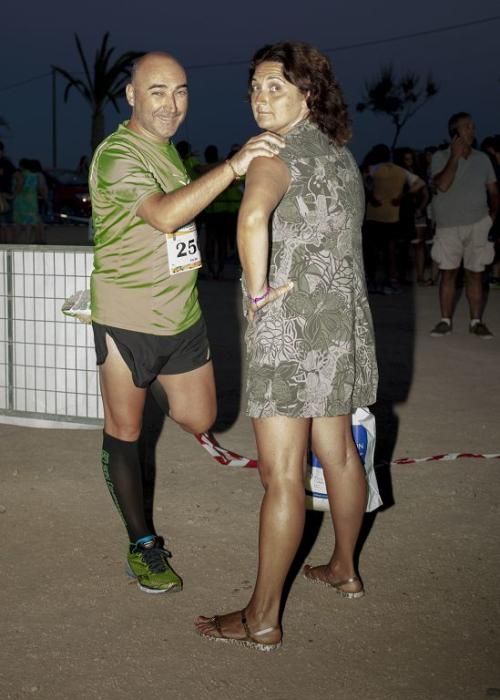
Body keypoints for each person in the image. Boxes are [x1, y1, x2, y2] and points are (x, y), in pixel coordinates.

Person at [195, 41, 378, 651]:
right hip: (340, 326)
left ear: (308, 92)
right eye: (255, 88)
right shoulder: (341, 155)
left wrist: (256, 291)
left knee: (281, 477)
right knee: (339, 453)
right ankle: (345, 567)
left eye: (275, 86)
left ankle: (262, 617)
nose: (260, 98)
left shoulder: (273, 153)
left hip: (292, 328)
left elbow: (251, 221)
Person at [88, 51, 285, 595]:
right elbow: (167, 215)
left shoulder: (169, 152)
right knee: (125, 431)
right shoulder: (117, 155)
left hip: (182, 316)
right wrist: (235, 164)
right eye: (157, 91)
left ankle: (143, 387)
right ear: (131, 95)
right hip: (127, 318)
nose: (171, 104)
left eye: (180, 91)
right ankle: (142, 544)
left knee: (201, 417)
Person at [429, 113, 498, 338]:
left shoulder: (483, 159)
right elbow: (443, 185)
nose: (472, 130)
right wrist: (455, 158)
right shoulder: (440, 157)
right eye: (467, 127)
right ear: (455, 133)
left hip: (478, 224)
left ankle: (476, 322)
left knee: (475, 274)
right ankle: (445, 321)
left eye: (473, 126)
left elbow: (494, 192)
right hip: (448, 226)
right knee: (448, 274)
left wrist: (491, 219)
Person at [362, 144, 425, 294]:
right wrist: (403, 196)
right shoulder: (400, 171)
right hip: (392, 215)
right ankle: (391, 281)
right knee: (390, 250)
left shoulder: (373, 169)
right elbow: (420, 183)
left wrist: (371, 196)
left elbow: (361, 179)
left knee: (372, 251)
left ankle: (371, 280)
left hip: (374, 215)